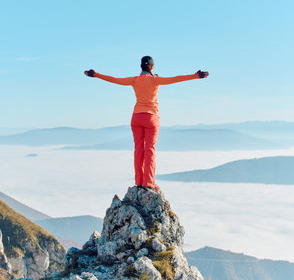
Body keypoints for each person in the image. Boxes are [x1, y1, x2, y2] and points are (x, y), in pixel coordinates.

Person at [84, 56, 209, 191]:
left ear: (141, 67)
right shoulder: (155, 80)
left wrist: (95, 74)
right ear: (152, 66)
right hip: (151, 118)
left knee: (138, 150)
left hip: (136, 117)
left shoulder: (135, 80)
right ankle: (148, 182)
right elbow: (176, 79)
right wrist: (197, 76)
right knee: (150, 150)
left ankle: (139, 181)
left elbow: (115, 80)